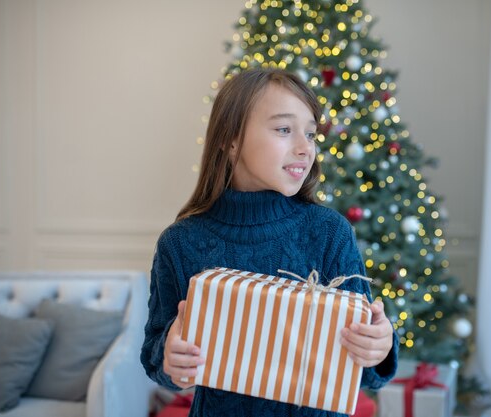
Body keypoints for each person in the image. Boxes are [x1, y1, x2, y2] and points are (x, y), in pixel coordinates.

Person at [141, 68, 398, 417]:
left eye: (310, 133)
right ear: (230, 140)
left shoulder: (329, 232)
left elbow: (364, 369)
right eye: (284, 129)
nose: (306, 147)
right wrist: (170, 357)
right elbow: (158, 359)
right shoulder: (181, 242)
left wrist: (378, 346)